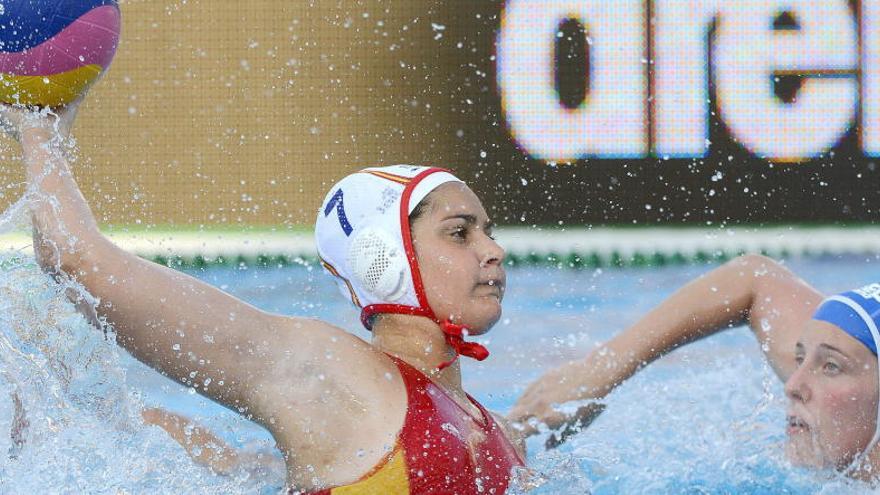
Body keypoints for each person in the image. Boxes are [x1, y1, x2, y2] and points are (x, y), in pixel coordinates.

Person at [1, 98, 525, 493]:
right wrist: (39, 129)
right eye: (461, 233)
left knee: (241, 465)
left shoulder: (492, 427)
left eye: (488, 231)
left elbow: (552, 402)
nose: (493, 250)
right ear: (382, 258)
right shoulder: (332, 374)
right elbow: (80, 262)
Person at [510, 254, 880, 478]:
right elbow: (754, 277)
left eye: (830, 367)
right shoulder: (846, 346)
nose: (793, 385)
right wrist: (596, 372)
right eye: (799, 358)